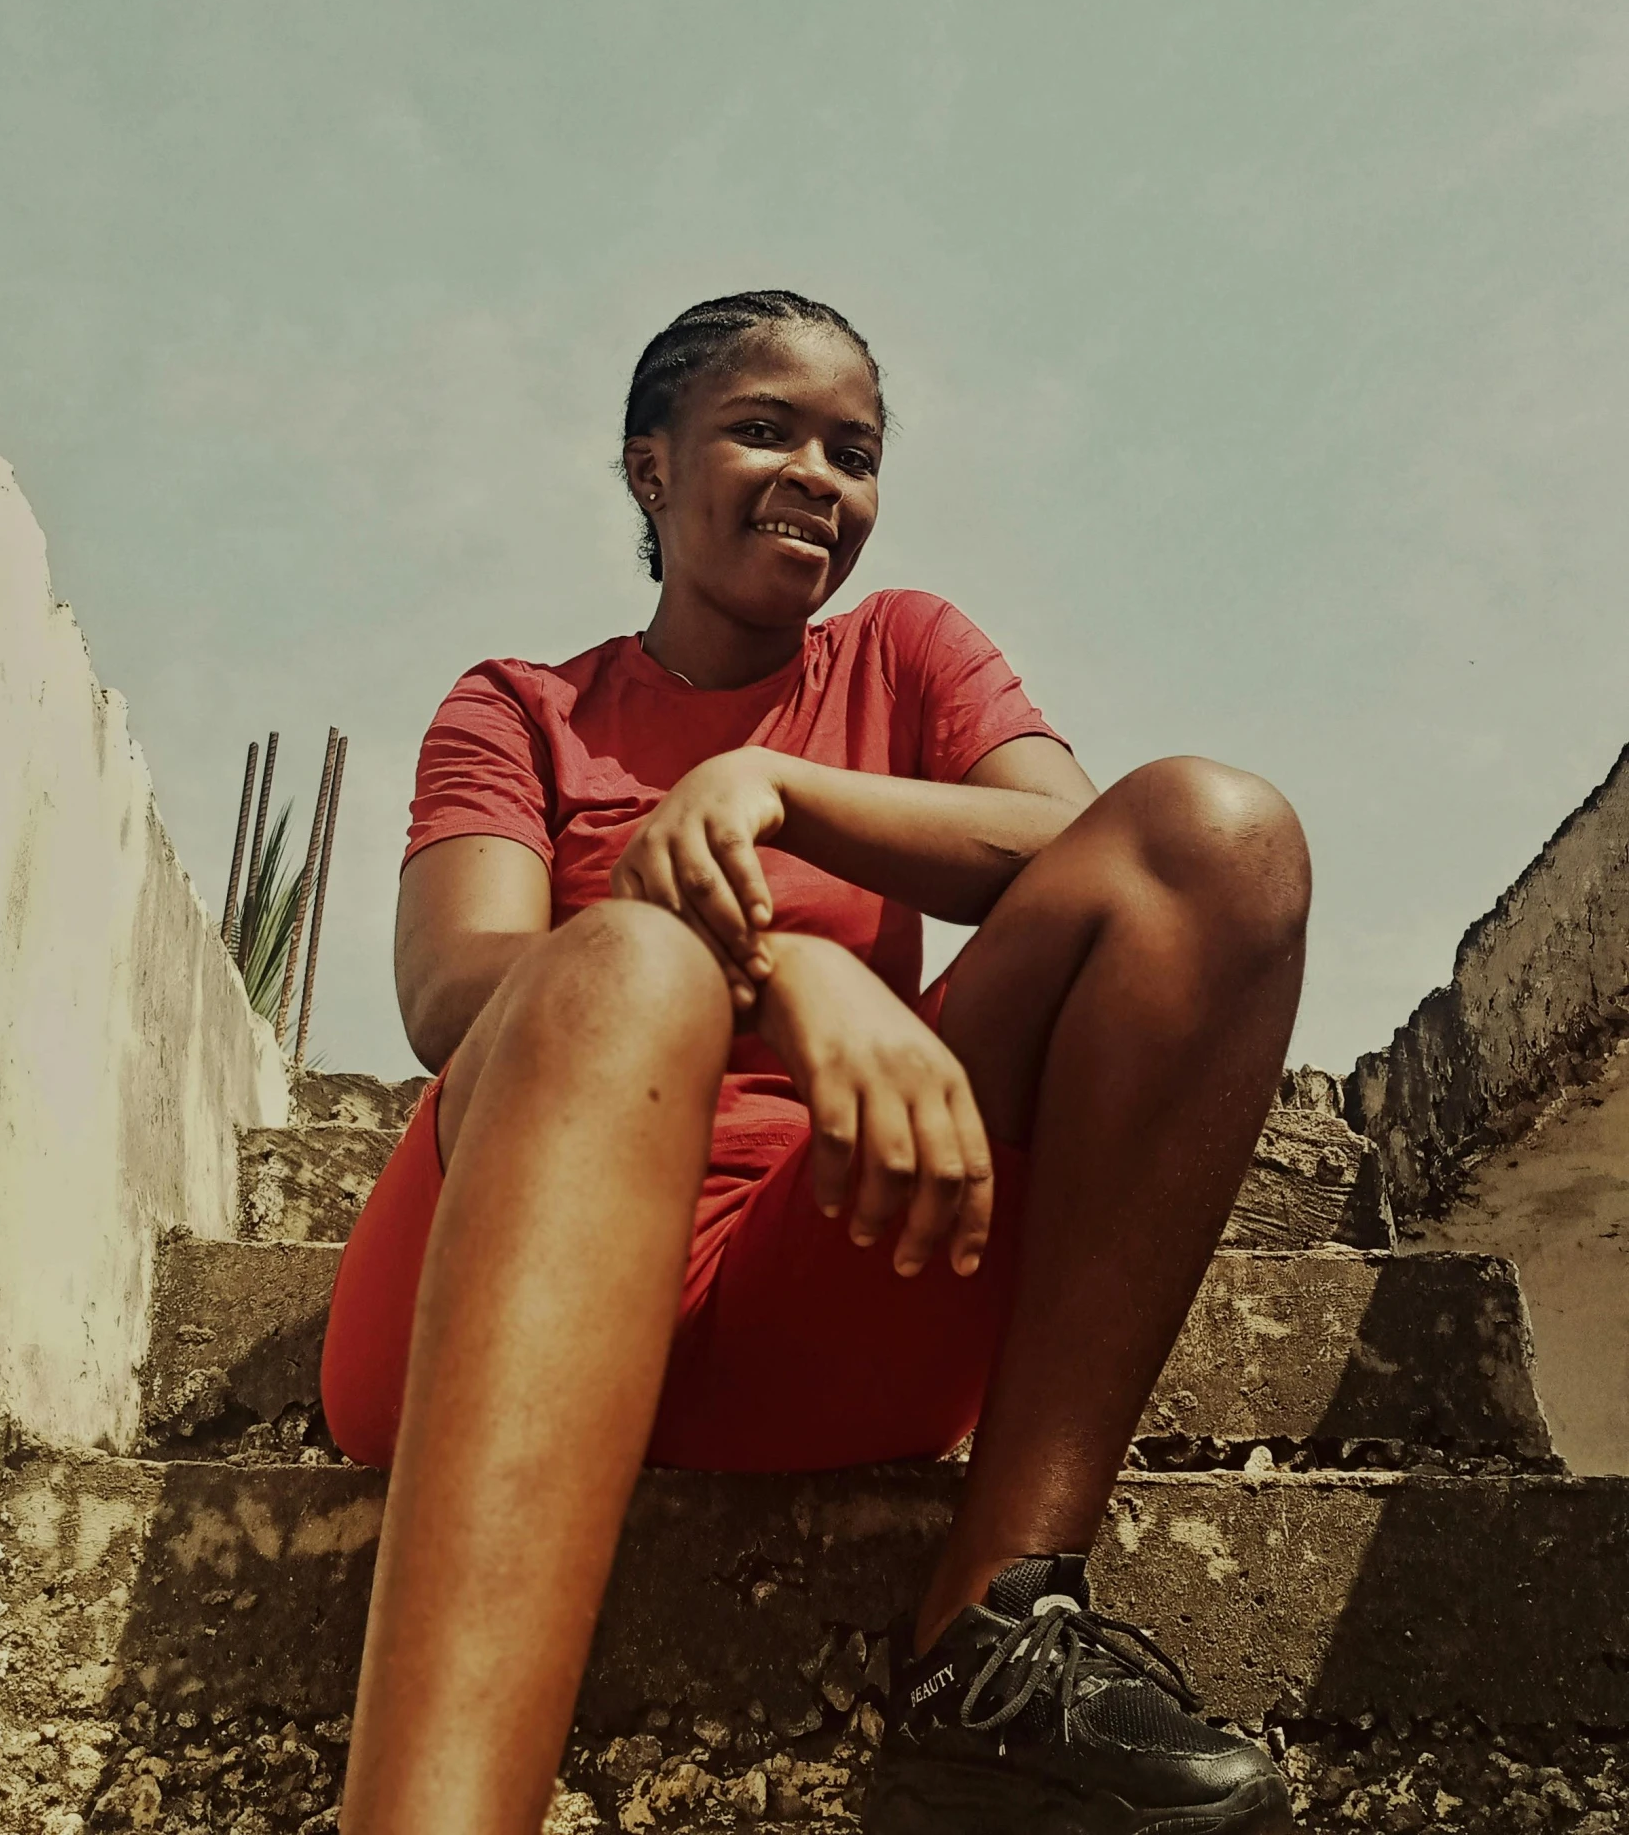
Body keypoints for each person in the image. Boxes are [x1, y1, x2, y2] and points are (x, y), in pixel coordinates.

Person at [321, 291, 1309, 1835]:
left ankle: (996, 1636)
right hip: (492, 1312)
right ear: (650, 469)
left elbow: (1091, 846)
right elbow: (454, 994)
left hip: (819, 1279)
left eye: (852, 450)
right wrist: (782, 982)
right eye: (762, 429)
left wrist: (773, 783)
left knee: (1219, 835)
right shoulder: (520, 707)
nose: (817, 477)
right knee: (625, 960)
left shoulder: (906, 653)